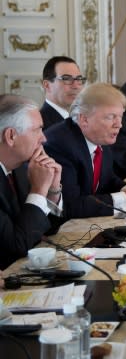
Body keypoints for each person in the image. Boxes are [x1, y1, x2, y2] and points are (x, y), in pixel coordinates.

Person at [44, 83, 126, 219]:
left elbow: (107, 179)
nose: (118, 125)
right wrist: (125, 198)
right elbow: (70, 206)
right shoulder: (61, 145)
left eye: (120, 116)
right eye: (110, 117)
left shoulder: (100, 137)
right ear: (84, 119)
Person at [0, 95, 64, 269]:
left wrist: (52, 191)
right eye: (37, 130)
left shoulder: (20, 167)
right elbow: (18, 246)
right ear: (11, 136)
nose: (44, 138)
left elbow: (47, 231)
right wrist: (38, 190)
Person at [40, 56, 86, 130]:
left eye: (78, 79)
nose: (76, 86)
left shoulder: (79, 118)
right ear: (47, 85)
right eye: (67, 79)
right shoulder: (41, 125)